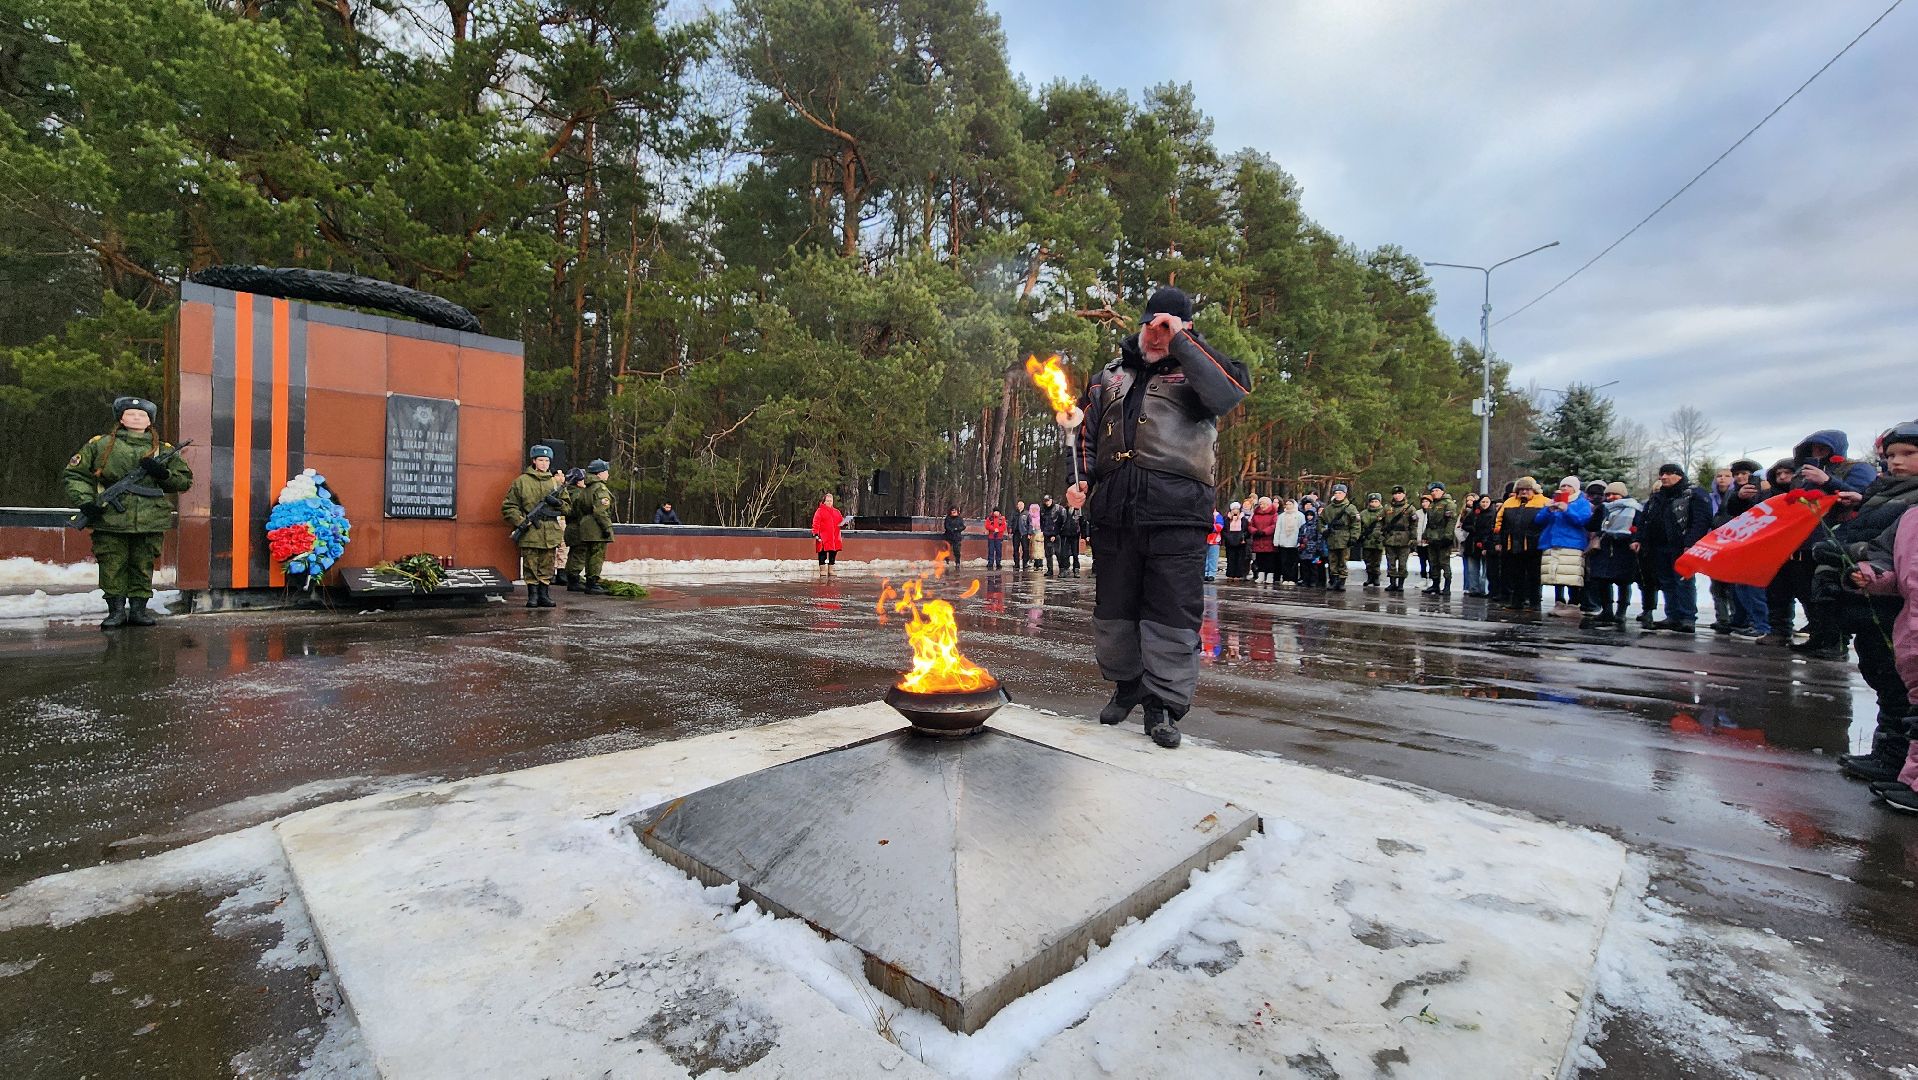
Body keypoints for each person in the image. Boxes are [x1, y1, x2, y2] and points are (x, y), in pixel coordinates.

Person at [1072, 286, 1250, 749]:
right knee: (1114, 609)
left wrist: (1184, 345)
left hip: (1177, 511)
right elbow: (1087, 435)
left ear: (1185, 329)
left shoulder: (1200, 369)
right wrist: (1083, 481)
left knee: (1170, 612)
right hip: (1115, 511)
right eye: (1152, 326)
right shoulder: (1108, 376)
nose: (1156, 336)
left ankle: (1162, 705)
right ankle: (1126, 685)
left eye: (1167, 328)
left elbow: (1228, 394)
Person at [1818, 423, 1918, 779]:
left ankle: (1897, 760)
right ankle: (1888, 751)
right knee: (1880, 676)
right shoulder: (1884, 490)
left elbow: (1895, 550)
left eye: (1909, 453)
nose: (1897, 462)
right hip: (1873, 596)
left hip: (1898, 606)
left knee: (1899, 685)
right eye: (1892, 455)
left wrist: (1851, 552)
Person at [63, 396, 194, 629]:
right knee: (112, 564)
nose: (136, 417)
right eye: (130, 414)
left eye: (142, 415)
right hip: (111, 517)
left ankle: (138, 610)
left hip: (150, 518)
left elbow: (183, 481)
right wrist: (86, 502)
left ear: (150, 421)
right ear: (120, 419)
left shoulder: (162, 450)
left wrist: (162, 474)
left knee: (143, 565)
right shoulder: (101, 445)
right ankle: (115, 611)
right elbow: (76, 475)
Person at [1850, 503, 1918, 812]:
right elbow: (1896, 568)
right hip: (1911, 629)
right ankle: (1912, 780)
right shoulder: (1911, 517)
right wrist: (1872, 576)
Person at [1635, 464, 1713, 632]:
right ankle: (1673, 615)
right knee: (1666, 581)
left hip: (1681, 546)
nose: (1663, 477)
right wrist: (1639, 539)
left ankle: (1687, 617)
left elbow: (1701, 521)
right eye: (1662, 474)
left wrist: (1690, 543)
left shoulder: (1693, 494)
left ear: (1679, 475)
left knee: (1683, 581)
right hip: (1659, 547)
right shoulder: (1658, 497)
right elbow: (1646, 519)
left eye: (1669, 474)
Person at [501, 445, 565, 608]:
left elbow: (569, 507)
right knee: (530, 564)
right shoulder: (522, 482)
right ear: (534, 461)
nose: (544, 464)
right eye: (541, 460)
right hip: (530, 531)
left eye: (547, 461)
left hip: (550, 531)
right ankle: (533, 595)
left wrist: (558, 503)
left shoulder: (555, 483)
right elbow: (509, 506)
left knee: (547, 565)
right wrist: (521, 521)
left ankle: (544, 594)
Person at [1586, 482, 1641, 631]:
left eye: (1614, 494)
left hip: (1624, 547)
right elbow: (1591, 525)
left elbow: (1639, 526)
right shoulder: (1603, 508)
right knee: (1603, 580)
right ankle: (1607, 610)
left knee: (1623, 581)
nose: (1611, 497)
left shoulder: (1634, 508)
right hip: (1605, 547)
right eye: (1608, 495)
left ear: (1623, 494)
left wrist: (1634, 537)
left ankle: (1621, 612)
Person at [1536, 476, 1593, 614]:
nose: (1565, 488)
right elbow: (1538, 520)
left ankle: (1574, 604)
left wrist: (1567, 510)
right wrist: (1548, 509)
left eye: (1568, 486)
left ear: (1575, 488)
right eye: (1563, 486)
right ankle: (1559, 602)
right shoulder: (1553, 501)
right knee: (1555, 575)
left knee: (1571, 575)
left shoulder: (1581, 502)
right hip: (1552, 543)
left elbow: (1582, 520)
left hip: (1572, 544)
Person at [1495, 477, 1550, 610]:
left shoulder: (1544, 502)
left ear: (1533, 490)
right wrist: (1498, 540)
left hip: (1534, 545)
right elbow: (1498, 523)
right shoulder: (1509, 502)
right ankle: (1517, 602)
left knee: (1534, 576)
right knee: (1516, 575)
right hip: (1513, 544)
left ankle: (1534, 602)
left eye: (1527, 489)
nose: (1524, 492)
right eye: (1521, 489)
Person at [570, 459, 615, 595]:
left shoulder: (586, 488)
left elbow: (578, 507)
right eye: (606, 471)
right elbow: (601, 511)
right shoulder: (600, 488)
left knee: (589, 554)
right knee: (596, 555)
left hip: (585, 525)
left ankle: (589, 581)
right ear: (599, 473)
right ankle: (592, 581)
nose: (607, 474)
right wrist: (607, 528)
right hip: (596, 527)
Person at [1319, 484, 1358, 592]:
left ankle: (1341, 582)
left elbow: (1356, 524)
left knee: (1343, 560)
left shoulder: (1350, 508)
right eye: (1336, 493)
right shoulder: (1329, 508)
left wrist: (1354, 537)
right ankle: (1334, 580)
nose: (1337, 495)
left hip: (1344, 537)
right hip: (1332, 537)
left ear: (1345, 494)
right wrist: (1323, 531)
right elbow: (1321, 521)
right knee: (1333, 560)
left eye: (1340, 493)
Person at [1421, 482, 1457, 596]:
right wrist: (1425, 535)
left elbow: (1451, 522)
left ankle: (1447, 587)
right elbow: (1429, 522)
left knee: (1444, 562)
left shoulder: (1448, 504)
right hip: (1432, 537)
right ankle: (1435, 585)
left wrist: (1448, 537)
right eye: (1432, 491)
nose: (1434, 493)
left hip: (1443, 537)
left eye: (1437, 490)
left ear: (1442, 491)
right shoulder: (1432, 505)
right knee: (1433, 562)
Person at [1379, 486, 1417, 593]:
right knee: (1390, 563)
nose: (1397, 496)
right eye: (1395, 494)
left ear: (1404, 495)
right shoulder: (1387, 508)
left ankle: (1400, 584)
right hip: (1390, 538)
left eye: (1400, 493)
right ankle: (1392, 583)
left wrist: (1413, 539)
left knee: (1402, 563)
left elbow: (1414, 525)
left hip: (1404, 539)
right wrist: (1381, 534)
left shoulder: (1410, 509)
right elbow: (1380, 522)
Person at [560, 467, 589, 591]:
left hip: (571, 528)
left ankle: (572, 578)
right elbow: (580, 511)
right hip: (578, 527)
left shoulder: (567, 492)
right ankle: (573, 580)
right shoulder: (579, 494)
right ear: (578, 481)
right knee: (578, 554)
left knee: (573, 554)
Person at [812, 493, 847, 570]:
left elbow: (840, 522)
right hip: (824, 537)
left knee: (833, 553)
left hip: (834, 537)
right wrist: (816, 533)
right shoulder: (820, 511)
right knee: (822, 553)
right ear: (824, 501)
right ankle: (823, 570)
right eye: (827, 501)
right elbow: (816, 523)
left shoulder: (837, 512)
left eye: (831, 501)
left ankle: (831, 569)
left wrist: (845, 523)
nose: (829, 502)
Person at [1274, 498, 1304, 584]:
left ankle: (1293, 579)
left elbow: (1302, 529)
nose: (1288, 506)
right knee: (1284, 561)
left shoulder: (1299, 515)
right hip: (1284, 541)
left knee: (1293, 562)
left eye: (1290, 504)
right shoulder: (1282, 516)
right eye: (1286, 504)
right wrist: (1276, 541)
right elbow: (1278, 529)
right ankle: (1285, 578)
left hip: (1294, 542)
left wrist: (1300, 541)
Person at [1249, 495, 1279, 584]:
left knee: (1269, 559)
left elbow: (1274, 525)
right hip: (1258, 540)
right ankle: (1261, 575)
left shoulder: (1274, 514)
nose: (1262, 506)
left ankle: (1270, 576)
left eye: (1264, 504)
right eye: (1261, 504)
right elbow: (1250, 525)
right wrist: (1255, 531)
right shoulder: (1255, 514)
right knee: (1259, 559)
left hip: (1268, 539)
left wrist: (1265, 532)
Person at [1358, 492, 1386, 588]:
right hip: (1367, 540)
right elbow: (1359, 526)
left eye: (1376, 501)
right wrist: (1360, 536)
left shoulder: (1384, 513)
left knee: (1377, 560)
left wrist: (1382, 537)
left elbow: (1387, 526)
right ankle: (1369, 577)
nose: (1374, 503)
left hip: (1378, 540)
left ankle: (1376, 577)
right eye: (1372, 501)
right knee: (1367, 559)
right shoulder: (1363, 513)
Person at [1298, 505, 1328, 588]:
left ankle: (1314, 581)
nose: (1309, 517)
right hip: (1304, 549)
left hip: (1314, 550)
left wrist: (1318, 548)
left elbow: (1319, 537)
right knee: (1305, 566)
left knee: (1314, 567)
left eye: (1311, 515)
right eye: (1308, 515)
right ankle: (1305, 580)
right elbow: (1300, 536)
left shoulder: (1317, 526)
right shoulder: (1304, 526)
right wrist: (1300, 544)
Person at [1221, 502, 1251, 580]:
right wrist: (1228, 537)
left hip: (1241, 542)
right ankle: (1230, 574)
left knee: (1240, 559)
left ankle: (1238, 574)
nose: (1235, 511)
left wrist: (1243, 536)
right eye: (1233, 509)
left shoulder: (1243, 519)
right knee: (1230, 559)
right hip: (1230, 542)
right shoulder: (1226, 519)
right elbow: (1224, 530)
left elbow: (1247, 530)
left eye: (1237, 509)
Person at [1041, 495, 1064, 576]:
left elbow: (1060, 523)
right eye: (1045, 501)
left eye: (1048, 500)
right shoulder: (1043, 509)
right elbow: (1042, 521)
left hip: (1055, 534)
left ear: (1051, 500)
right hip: (1047, 534)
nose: (1047, 502)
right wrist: (1043, 530)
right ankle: (1050, 570)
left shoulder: (1057, 509)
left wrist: (1055, 534)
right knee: (1048, 553)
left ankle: (1062, 569)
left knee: (1058, 552)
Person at [1010, 500, 1031, 571]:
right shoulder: (1014, 513)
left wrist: (1029, 533)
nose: (1020, 506)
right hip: (1016, 533)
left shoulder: (1027, 513)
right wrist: (1010, 531)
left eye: (1021, 505)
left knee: (1025, 549)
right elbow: (1011, 522)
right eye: (1019, 505)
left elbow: (1030, 524)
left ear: (1023, 505)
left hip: (1024, 533)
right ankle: (1016, 563)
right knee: (1015, 549)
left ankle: (1025, 563)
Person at [1204, 507, 1223, 583]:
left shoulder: (1217, 515)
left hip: (1215, 540)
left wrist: (1211, 528)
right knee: (1205, 557)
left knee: (1213, 557)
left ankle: (1212, 573)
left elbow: (1220, 526)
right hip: (1205, 539)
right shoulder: (1204, 514)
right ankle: (1205, 572)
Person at [1026, 501, 1045, 569]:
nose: (1034, 510)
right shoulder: (1029, 516)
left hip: (1040, 534)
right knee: (1033, 549)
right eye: (1033, 509)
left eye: (1035, 509)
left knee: (1040, 549)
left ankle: (1040, 563)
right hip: (1032, 534)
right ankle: (1035, 562)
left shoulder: (1041, 516)